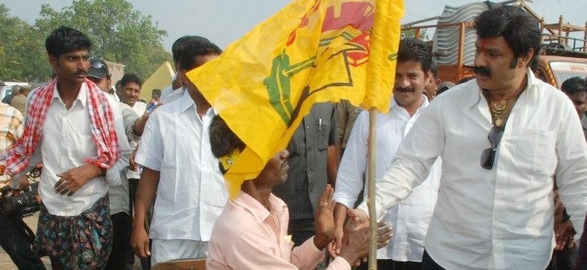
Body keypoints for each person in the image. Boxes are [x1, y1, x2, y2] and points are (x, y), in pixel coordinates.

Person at [350, 6, 587, 269]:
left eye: (493, 54)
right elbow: (409, 166)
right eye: (479, 50)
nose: (480, 61)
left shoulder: (556, 108)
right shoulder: (447, 105)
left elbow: (578, 181)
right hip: (450, 257)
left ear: (524, 57)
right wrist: (368, 210)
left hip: (526, 259)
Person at [0, 26, 132, 269]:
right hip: (52, 206)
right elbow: (31, 149)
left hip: (90, 206)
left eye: (85, 58)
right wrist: (9, 172)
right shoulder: (38, 100)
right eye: (73, 59)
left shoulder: (105, 104)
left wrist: (91, 170)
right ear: (53, 61)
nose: (83, 66)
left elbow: (121, 156)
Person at [205, 115, 393, 270]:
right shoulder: (243, 229)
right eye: (272, 148)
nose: (285, 153)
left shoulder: (274, 207)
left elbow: (286, 264)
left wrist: (321, 239)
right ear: (248, 163)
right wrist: (349, 254)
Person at [332, 38, 441, 270]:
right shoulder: (370, 118)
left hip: (426, 244)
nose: (403, 84)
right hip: (374, 242)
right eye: (397, 75)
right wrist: (339, 228)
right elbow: (349, 179)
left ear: (428, 77)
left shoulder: (441, 121)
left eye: (412, 76)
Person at [131, 37, 225, 265]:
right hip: (173, 233)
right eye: (205, 71)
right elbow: (150, 175)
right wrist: (139, 225)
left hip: (222, 230)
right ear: (184, 76)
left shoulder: (232, 119)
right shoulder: (163, 119)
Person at [87, 58, 141, 270]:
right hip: (81, 204)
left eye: (97, 81)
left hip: (113, 203)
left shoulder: (119, 110)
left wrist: (145, 120)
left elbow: (134, 127)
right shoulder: (71, 110)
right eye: (87, 80)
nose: (92, 86)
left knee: (114, 259)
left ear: (109, 83)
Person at [272, 103, 339, 248]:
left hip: (317, 213)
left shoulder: (326, 103)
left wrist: (338, 194)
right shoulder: (276, 103)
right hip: (282, 213)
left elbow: (330, 147)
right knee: (283, 260)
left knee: (316, 260)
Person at [0, 102, 46, 269]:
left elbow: (31, 150)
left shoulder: (11, 116)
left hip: (2, 199)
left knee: (23, 254)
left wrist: (24, 175)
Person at [548, 76, 587, 270]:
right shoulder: (550, 128)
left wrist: (572, 223)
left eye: (578, 102)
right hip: (546, 223)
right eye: (568, 101)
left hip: (573, 226)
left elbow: (579, 181)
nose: (573, 107)